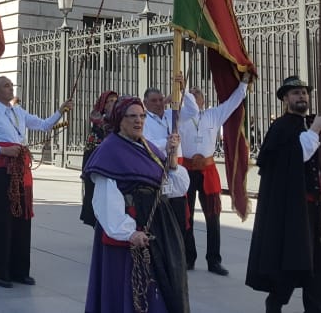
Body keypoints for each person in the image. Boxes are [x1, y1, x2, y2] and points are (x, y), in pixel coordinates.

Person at [245, 61, 321, 313]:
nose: (301, 96)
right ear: (285, 99)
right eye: (295, 93)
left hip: (320, 208)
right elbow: (294, 157)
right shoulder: (280, 128)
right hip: (294, 212)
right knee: (290, 266)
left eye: (304, 92)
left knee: (320, 268)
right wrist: (314, 130)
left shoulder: (317, 120)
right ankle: (275, 304)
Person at [84, 96, 191, 313]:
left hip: (156, 228)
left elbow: (175, 188)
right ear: (119, 120)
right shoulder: (110, 150)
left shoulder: (147, 146)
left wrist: (172, 164)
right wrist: (128, 232)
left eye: (141, 116)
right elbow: (105, 198)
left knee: (158, 289)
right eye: (132, 116)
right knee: (131, 290)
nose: (138, 121)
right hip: (130, 230)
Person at [0, 75, 70, 289]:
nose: (10, 88)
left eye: (10, 85)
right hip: (0, 171)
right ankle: (1, 272)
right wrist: (0, 151)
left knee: (22, 218)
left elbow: (43, 126)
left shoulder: (18, 112)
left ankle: (20, 270)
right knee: (2, 221)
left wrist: (60, 111)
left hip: (20, 170)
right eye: (5, 86)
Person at [179, 75, 250, 275]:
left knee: (213, 217)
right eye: (190, 94)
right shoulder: (180, 115)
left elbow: (233, 102)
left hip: (208, 171)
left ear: (204, 100)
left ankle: (214, 260)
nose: (193, 96)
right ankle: (188, 257)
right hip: (187, 170)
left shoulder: (214, 114)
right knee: (187, 217)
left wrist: (243, 83)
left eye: (197, 94)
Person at [81, 90, 119, 227]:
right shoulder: (97, 125)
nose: (113, 103)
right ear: (103, 105)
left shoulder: (121, 121)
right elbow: (90, 150)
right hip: (100, 168)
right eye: (110, 101)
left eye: (115, 100)